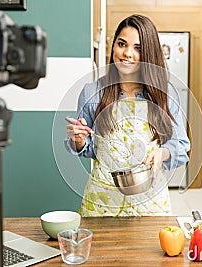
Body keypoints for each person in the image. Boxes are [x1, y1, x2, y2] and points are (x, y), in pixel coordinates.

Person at [64, 14, 190, 217]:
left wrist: (161, 153)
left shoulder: (164, 93)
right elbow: (88, 148)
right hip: (102, 202)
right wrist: (79, 140)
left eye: (138, 48)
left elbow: (180, 145)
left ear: (149, 54)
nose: (127, 54)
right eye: (122, 44)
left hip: (151, 202)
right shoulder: (92, 92)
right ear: (113, 46)